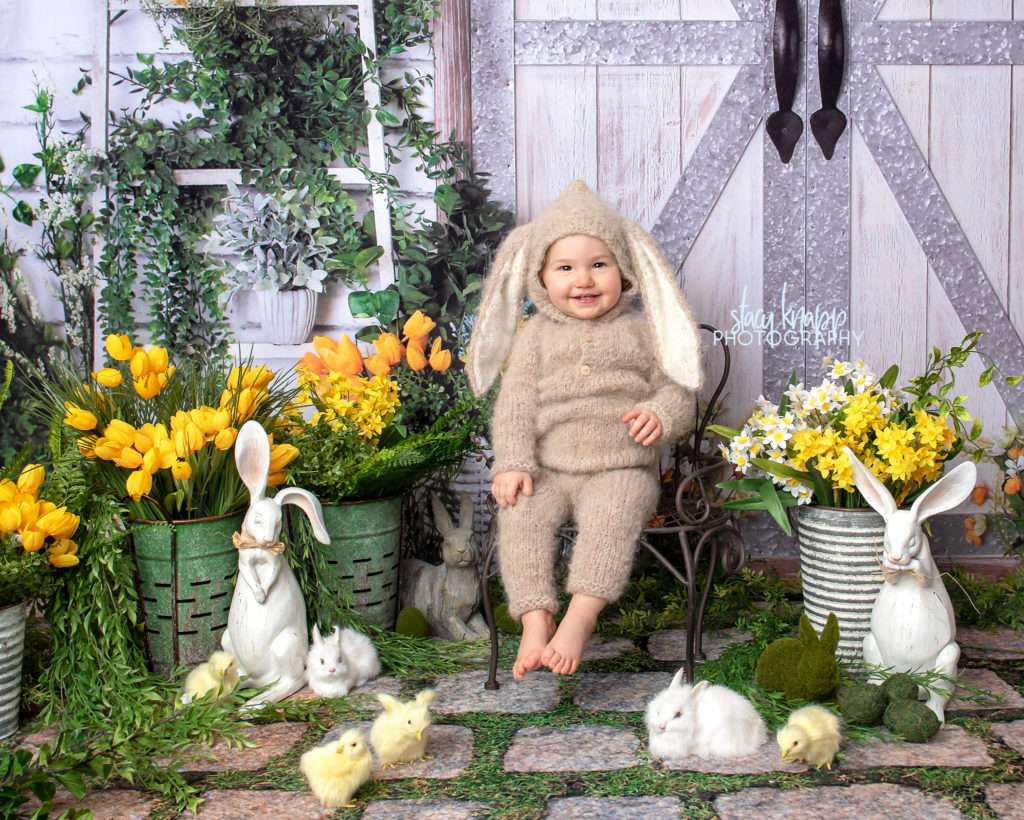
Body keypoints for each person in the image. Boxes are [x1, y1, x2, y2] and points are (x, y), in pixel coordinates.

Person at [466, 180, 705, 680]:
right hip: (549, 468)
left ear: (624, 270)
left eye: (599, 264)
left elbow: (680, 390)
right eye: (566, 267)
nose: (584, 280)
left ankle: (579, 618)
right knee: (521, 515)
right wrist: (512, 464)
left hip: (620, 469)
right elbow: (514, 407)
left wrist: (660, 413)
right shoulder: (535, 338)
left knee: (612, 518)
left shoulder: (643, 332)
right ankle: (535, 619)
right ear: (541, 277)